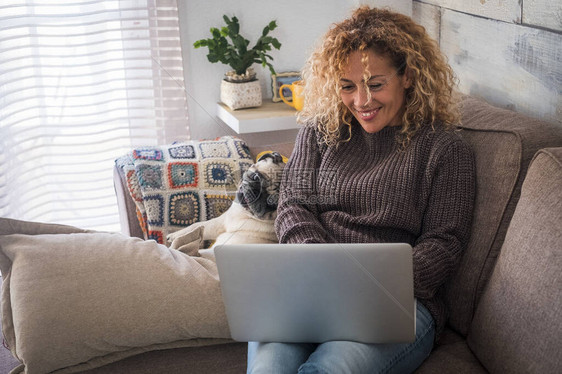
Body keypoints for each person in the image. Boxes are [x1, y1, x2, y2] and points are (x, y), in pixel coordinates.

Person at [247, 6, 476, 374]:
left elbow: (444, 244)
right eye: (347, 86)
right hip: (312, 287)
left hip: (398, 301)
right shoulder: (320, 130)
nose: (361, 102)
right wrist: (324, 269)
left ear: (408, 76)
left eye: (375, 84)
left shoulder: (445, 149)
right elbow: (293, 205)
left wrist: (369, 287)